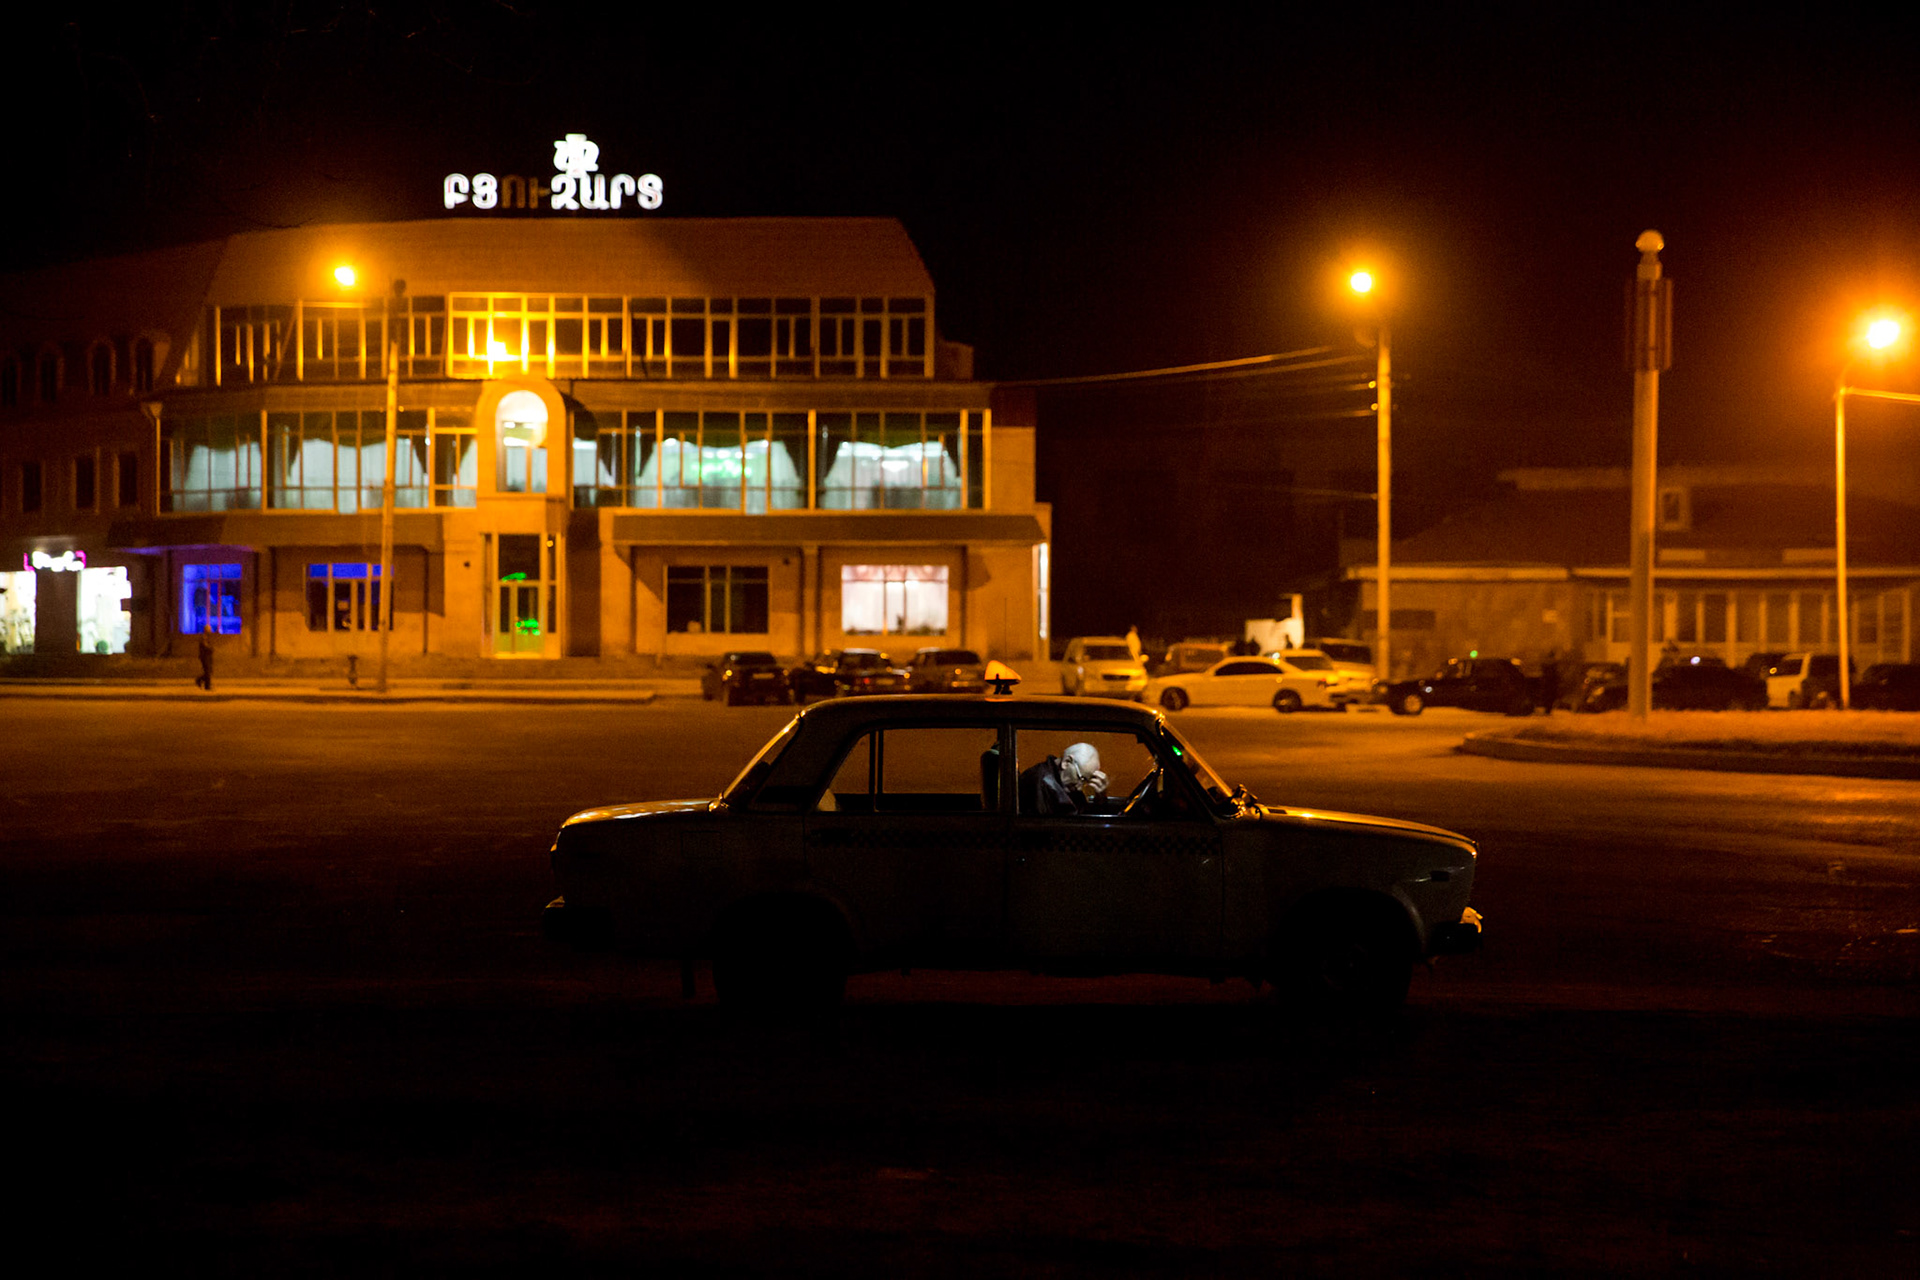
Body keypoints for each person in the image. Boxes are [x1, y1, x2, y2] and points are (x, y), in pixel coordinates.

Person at [1019, 742, 1108, 815]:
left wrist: (1100, 797)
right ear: (1066, 762)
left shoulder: (1061, 780)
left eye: (1086, 781)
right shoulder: (1041, 782)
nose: (1080, 788)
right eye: (1081, 778)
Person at [1540, 649, 1560, 716]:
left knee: (1547, 696)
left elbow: (1543, 672)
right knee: (1551, 696)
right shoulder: (1554, 663)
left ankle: (1547, 709)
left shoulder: (1545, 663)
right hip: (1552, 683)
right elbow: (1556, 673)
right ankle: (1548, 710)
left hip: (1547, 682)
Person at [195, 625, 214, 692]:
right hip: (205, 656)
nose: (210, 631)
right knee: (207, 671)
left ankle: (201, 681)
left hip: (207, 656)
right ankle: (206, 685)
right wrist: (210, 649)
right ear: (206, 630)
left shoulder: (207, 637)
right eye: (209, 629)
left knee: (209, 671)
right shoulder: (203, 637)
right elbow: (205, 646)